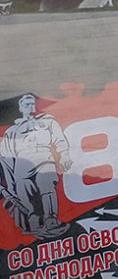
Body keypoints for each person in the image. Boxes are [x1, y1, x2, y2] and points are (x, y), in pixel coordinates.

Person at [1, 93, 71, 239]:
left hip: (44, 159)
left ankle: (51, 220)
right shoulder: (11, 131)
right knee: (26, 193)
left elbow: (59, 139)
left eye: (33, 104)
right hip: (21, 166)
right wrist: (11, 183)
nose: (31, 107)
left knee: (46, 185)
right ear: (20, 107)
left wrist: (64, 155)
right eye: (27, 104)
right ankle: (35, 223)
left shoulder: (48, 121)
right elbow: (6, 159)